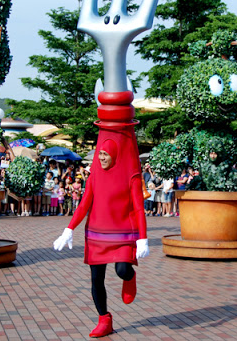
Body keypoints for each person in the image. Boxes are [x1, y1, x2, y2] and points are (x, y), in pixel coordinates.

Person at [53, 139, 148, 338]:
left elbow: (139, 208)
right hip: (96, 234)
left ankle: (129, 277)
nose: (102, 158)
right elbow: (84, 204)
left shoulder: (130, 176)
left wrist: (143, 238)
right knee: (97, 279)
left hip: (122, 234)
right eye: (100, 154)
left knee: (122, 269)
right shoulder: (94, 176)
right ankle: (104, 319)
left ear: (114, 155)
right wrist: (68, 229)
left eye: (105, 154)